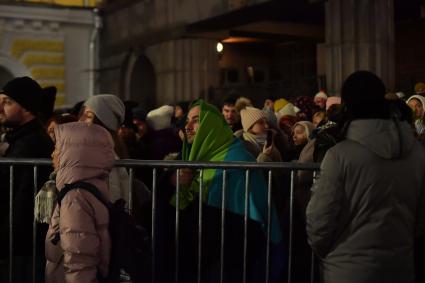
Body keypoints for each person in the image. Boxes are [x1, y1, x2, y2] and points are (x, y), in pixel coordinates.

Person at [306, 71, 425, 283]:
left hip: (348, 269)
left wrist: (329, 253)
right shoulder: (417, 153)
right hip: (400, 267)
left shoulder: (339, 156)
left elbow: (320, 220)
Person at [157, 99, 282, 282]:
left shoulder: (238, 160)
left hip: (227, 263)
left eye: (196, 120)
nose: (188, 126)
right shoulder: (189, 156)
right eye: (187, 121)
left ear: (212, 125)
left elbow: (251, 220)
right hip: (192, 261)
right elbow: (161, 197)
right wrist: (171, 182)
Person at [45, 122, 115, 282]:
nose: (53, 154)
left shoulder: (74, 198)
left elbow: (79, 258)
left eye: (57, 148)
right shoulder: (90, 188)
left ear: (72, 154)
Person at [0, 76, 54, 283]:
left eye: (8, 102)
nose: (1, 108)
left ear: (27, 107)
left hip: (23, 246)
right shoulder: (21, 140)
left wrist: (6, 242)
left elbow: (21, 202)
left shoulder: (30, 144)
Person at [79, 94, 130, 204]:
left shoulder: (106, 155)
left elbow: (113, 194)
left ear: (104, 123)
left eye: (88, 116)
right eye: (81, 115)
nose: (81, 121)